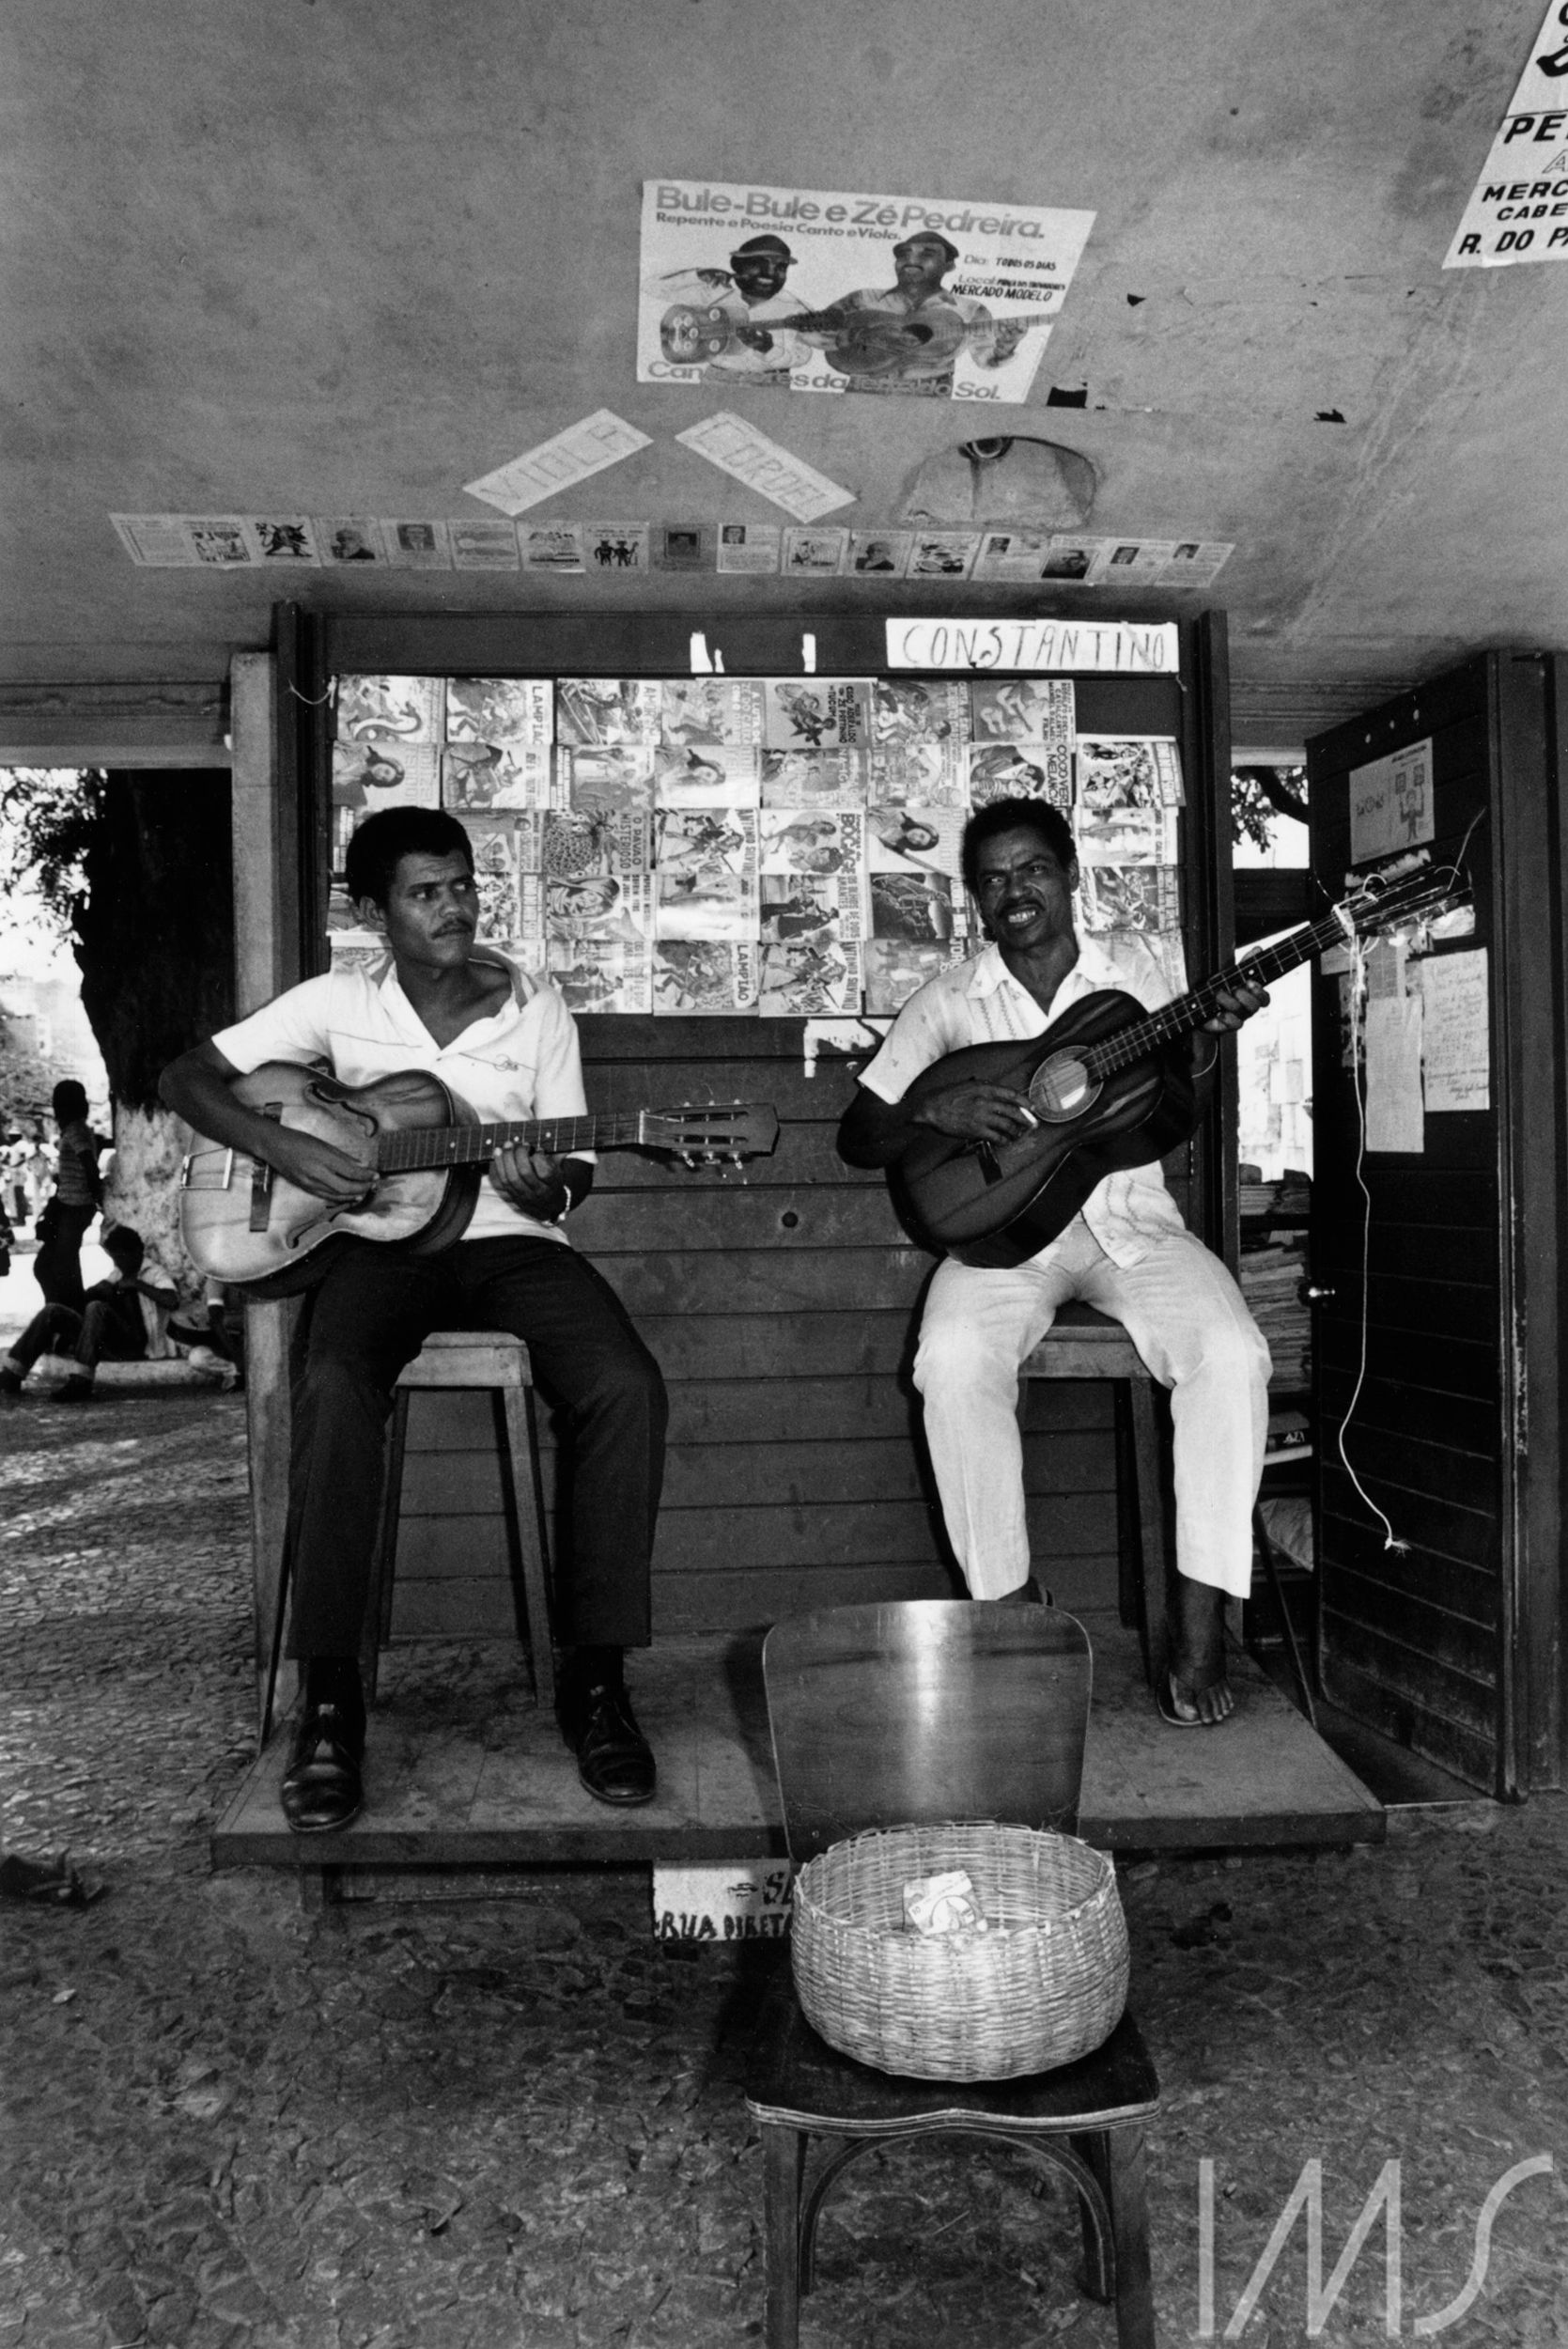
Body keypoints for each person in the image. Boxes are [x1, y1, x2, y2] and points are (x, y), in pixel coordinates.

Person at [159, 807, 669, 1833]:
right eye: (426, 892)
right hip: (376, 1247)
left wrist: (543, 1185)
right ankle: (333, 1697)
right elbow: (186, 1079)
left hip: (513, 1243)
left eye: (464, 886)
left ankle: (598, 1680)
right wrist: (299, 1154)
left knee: (626, 1386)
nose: (455, 908)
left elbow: (572, 1175)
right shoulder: (337, 1004)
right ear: (373, 910)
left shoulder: (535, 1007)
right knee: (335, 1381)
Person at [835, 799, 1272, 1729]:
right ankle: (1008, 1613)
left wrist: (1204, 1041)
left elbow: (1169, 1106)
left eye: (1031, 868)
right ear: (976, 898)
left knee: (1231, 1353)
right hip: (1005, 1238)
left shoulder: (1139, 973)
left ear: (1072, 874)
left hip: (1131, 1226)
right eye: (992, 878)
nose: (1013, 890)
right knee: (948, 1361)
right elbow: (861, 1131)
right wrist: (934, 1113)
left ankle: (1200, 1623)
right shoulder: (949, 999)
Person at [807, 232, 1026, 396]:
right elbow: (810, 332)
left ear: (948, 265)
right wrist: (856, 335)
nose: (911, 260)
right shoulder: (863, 299)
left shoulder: (970, 310)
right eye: (904, 254)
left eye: (927, 254)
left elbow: (986, 361)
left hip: (929, 395)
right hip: (863, 390)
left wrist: (1005, 347)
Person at [0, 1224, 177, 1401]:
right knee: (52, 1311)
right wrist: (99, 1290)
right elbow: (92, 1295)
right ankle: (12, 1374)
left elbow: (172, 1300)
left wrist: (137, 1284)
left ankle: (80, 1382)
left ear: (137, 1252)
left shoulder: (155, 1273)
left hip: (137, 1346)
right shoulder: (118, 1273)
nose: (118, 1263)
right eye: (115, 1258)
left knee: (96, 1308)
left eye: (121, 1257)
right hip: (109, 1344)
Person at [651, 233, 811, 385]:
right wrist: (697, 275)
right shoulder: (714, 291)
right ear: (738, 266)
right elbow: (652, 287)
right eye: (759, 264)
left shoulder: (795, 308)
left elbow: (802, 356)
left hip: (769, 385)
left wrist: (769, 350)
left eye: (781, 267)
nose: (769, 273)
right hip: (716, 380)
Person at [33, 1081, 102, 1312]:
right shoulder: (75, 1128)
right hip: (68, 1204)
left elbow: (88, 1164)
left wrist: (95, 1197)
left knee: (61, 1267)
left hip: (75, 1206)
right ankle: (59, 1313)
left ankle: (67, 1316)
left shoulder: (75, 1129)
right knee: (52, 1265)